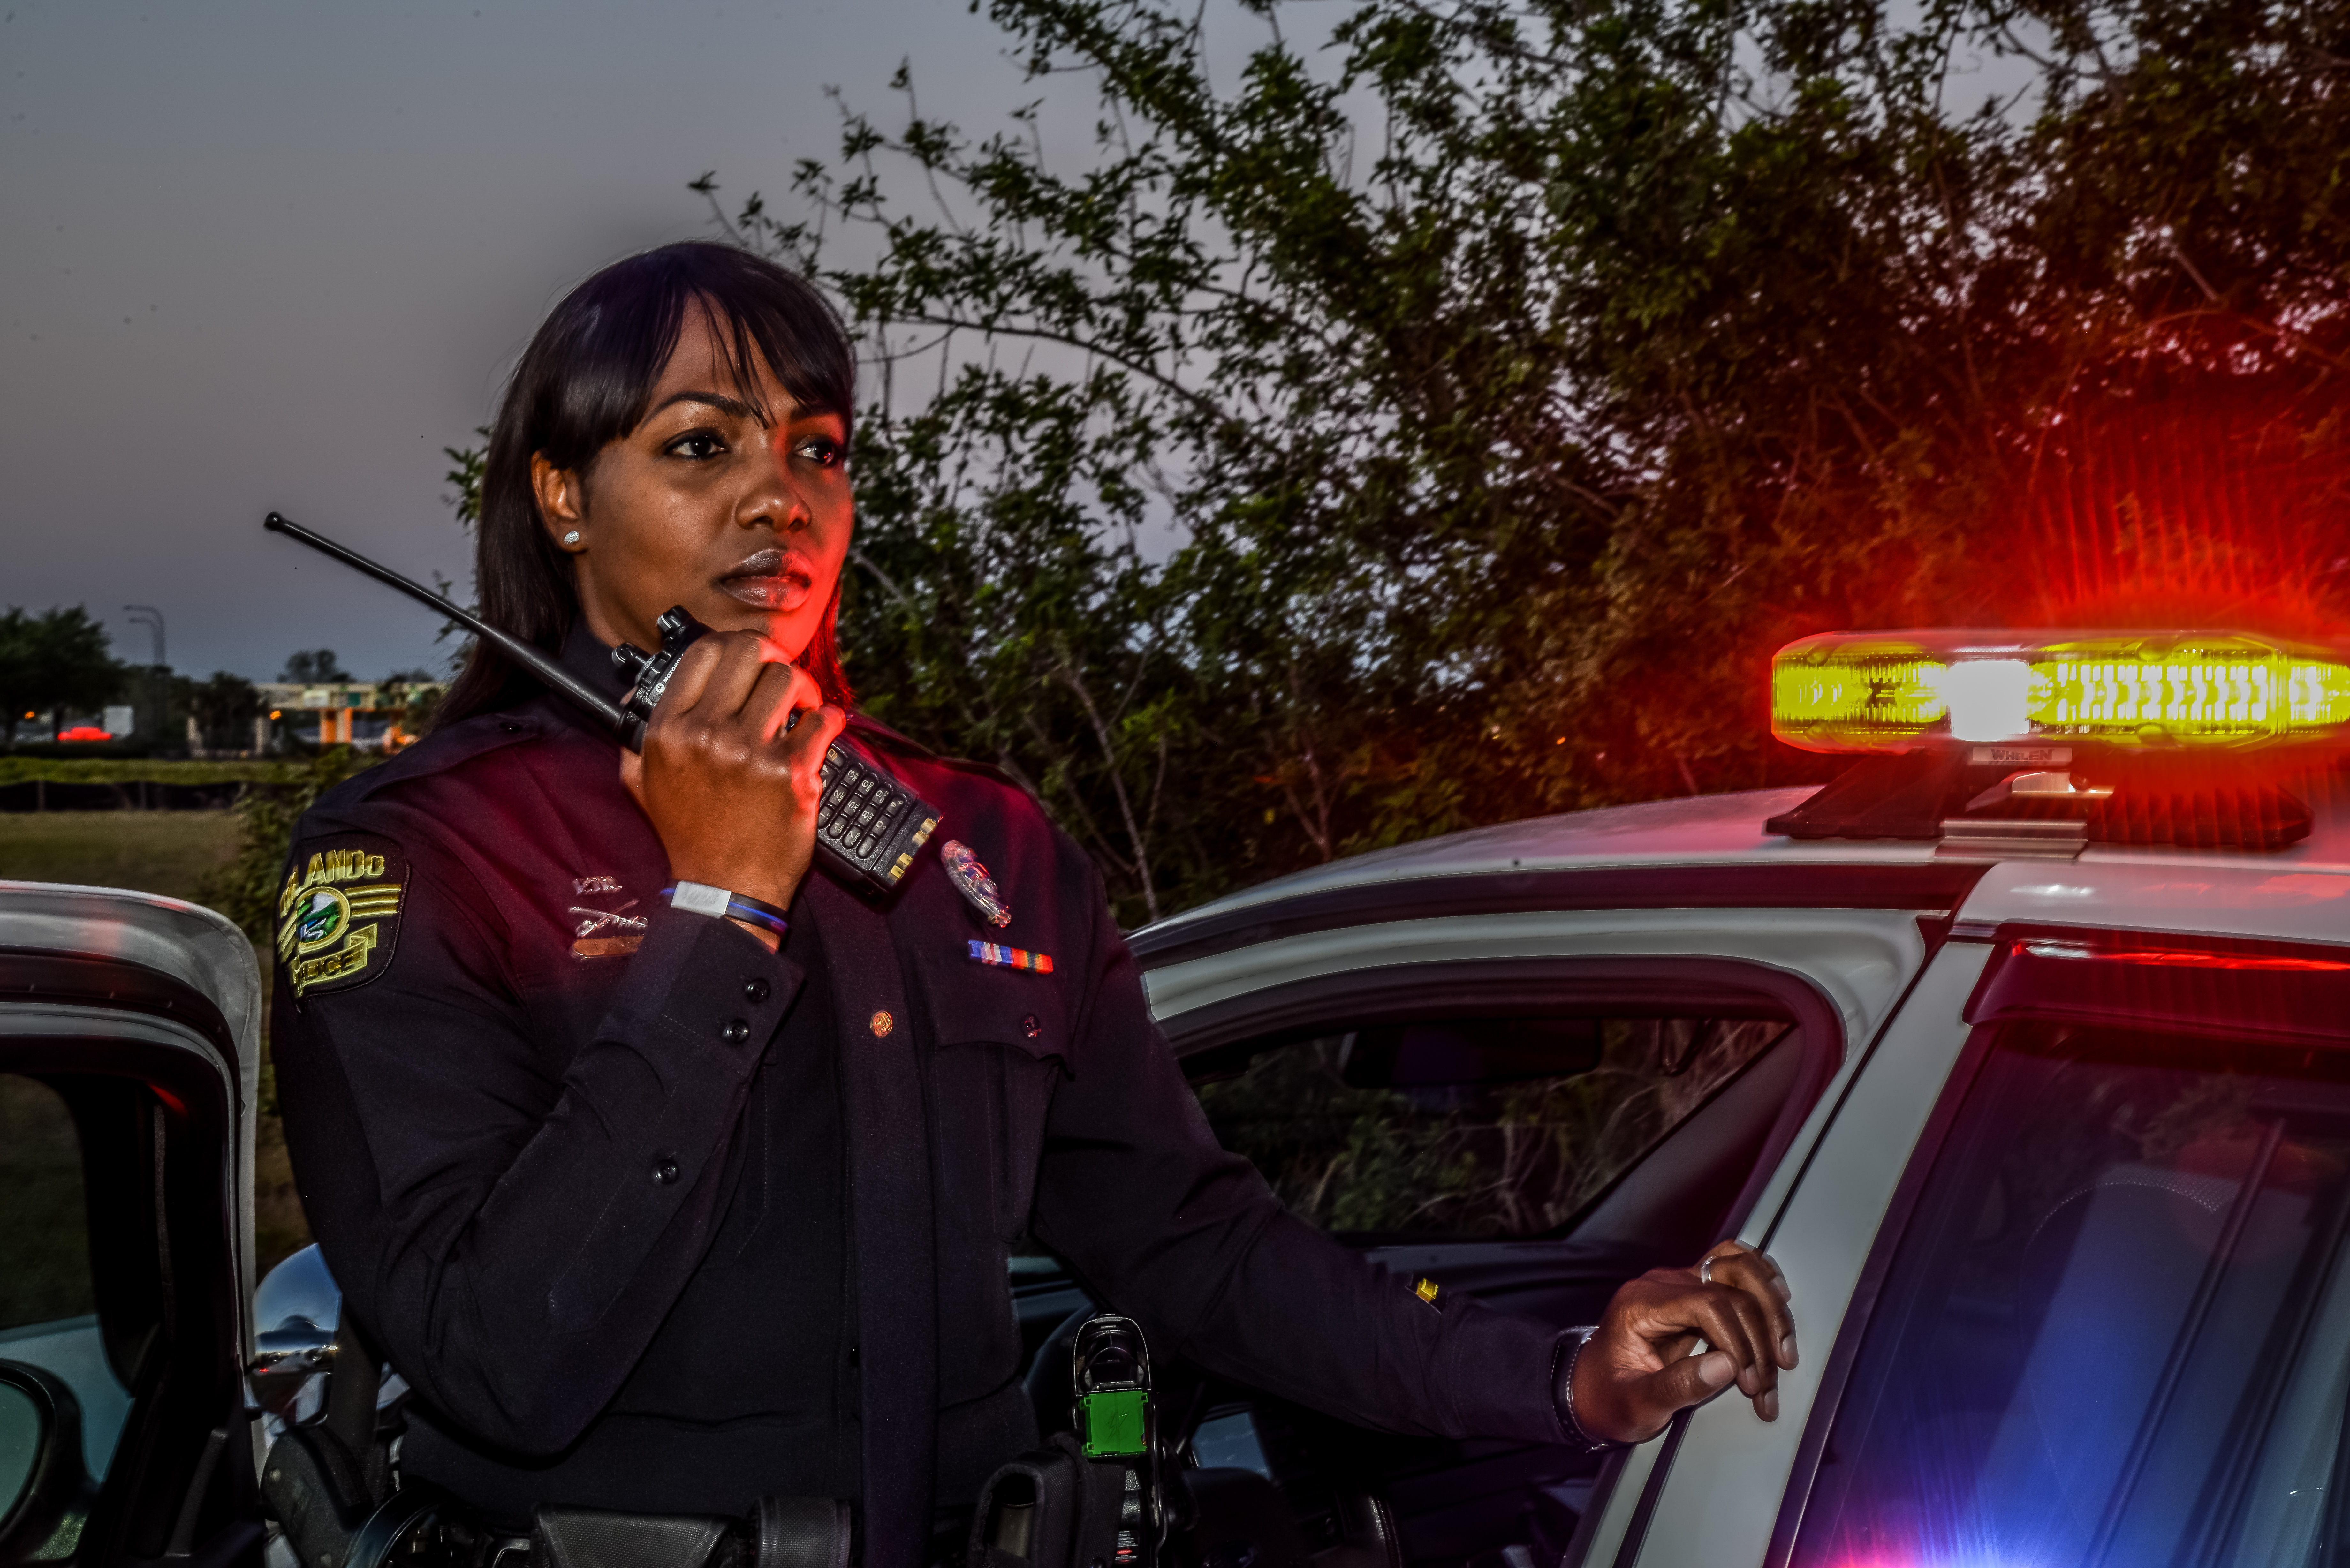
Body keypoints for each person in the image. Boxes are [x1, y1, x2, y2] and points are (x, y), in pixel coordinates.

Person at [270, 241, 1798, 1566]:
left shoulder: (982, 839)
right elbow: (494, 1357)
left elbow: (1194, 1242)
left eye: (815, 449)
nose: (776, 503)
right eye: (697, 448)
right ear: (559, 494)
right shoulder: (421, 855)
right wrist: (723, 902)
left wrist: (1555, 1383)